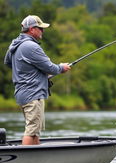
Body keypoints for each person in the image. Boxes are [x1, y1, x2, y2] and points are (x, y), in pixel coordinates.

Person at [4, 15, 71, 145]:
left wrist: (30, 72)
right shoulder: (31, 46)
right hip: (33, 94)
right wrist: (61, 67)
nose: (43, 31)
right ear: (32, 29)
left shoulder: (15, 44)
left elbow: (8, 62)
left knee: (35, 131)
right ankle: (25, 162)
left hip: (24, 93)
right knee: (31, 131)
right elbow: (50, 68)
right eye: (40, 28)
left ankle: (36, 161)